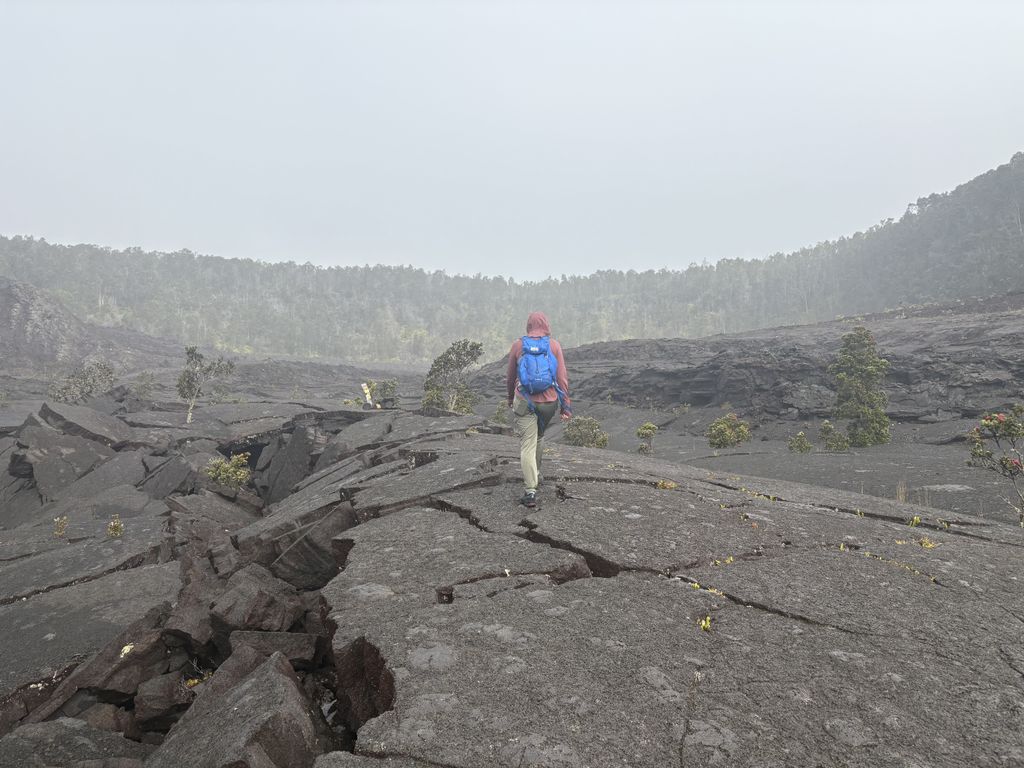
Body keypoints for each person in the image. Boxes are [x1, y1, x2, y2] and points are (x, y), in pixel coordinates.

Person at [506, 311, 572, 508]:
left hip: (525, 401)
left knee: (528, 444)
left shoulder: (519, 345)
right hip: (549, 402)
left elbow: (510, 377)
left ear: (529, 325)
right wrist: (565, 406)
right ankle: (537, 475)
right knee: (540, 437)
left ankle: (530, 491)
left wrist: (510, 398)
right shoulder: (554, 345)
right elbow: (561, 379)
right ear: (546, 325)